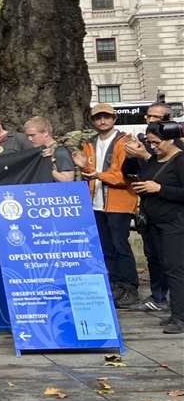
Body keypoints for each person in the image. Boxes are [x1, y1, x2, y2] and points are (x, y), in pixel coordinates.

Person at [74, 103, 141, 307]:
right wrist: (85, 168)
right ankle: (114, 284)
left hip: (119, 203)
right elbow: (89, 172)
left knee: (120, 245)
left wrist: (96, 174)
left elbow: (125, 176)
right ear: (92, 121)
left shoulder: (125, 142)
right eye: (98, 117)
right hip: (96, 203)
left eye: (106, 117)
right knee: (105, 246)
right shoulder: (89, 143)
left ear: (114, 118)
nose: (102, 121)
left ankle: (130, 287)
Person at [128, 122, 184, 332]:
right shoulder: (155, 160)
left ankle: (181, 317)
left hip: (175, 224)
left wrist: (160, 188)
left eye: (156, 142)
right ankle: (176, 312)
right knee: (167, 269)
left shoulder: (180, 161)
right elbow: (138, 175)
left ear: (170, 139)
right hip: (155, 224)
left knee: (177, 269)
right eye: (149, 143)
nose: (153, 147)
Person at [23, 116, 76, 183]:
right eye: (27, 136)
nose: (29, 139)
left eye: (33, 135)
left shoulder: (60, 151)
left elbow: (67, 180)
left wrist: (46, 166)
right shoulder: (42, 151)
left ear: (45, 133)